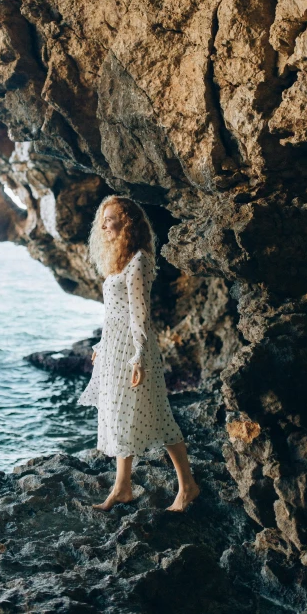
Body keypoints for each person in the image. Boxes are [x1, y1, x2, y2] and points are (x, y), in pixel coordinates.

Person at [77, 194, 200, 512]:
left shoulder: (139, 261)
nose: (104, 222)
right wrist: (101, 348)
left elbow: (139, 314)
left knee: (159, 414)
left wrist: (140, 356)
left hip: (134, 349)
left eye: (111, 216)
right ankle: (122, 487)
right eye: (102, 217)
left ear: (128, 220)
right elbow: (112, 313)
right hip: (115, 348)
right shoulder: (119, 259)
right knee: (120, 414)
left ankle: (187, 488)